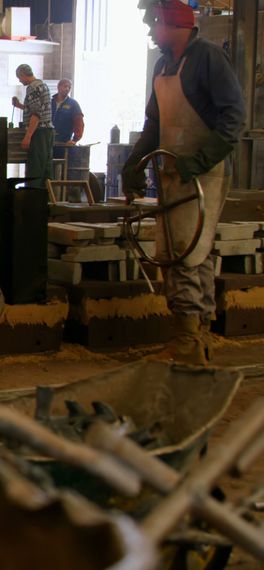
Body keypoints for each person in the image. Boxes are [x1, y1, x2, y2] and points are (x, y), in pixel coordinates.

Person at [123, 0, 245, 365]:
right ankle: (196, 336)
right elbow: (154, 124)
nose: (150, 33)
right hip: (172, 172)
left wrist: (199, 160)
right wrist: (132, 165)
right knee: (183, 252)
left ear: (172, 24)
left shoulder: (206, 59)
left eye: (153, 25)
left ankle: (189, 343)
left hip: (202, 173)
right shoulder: (164, 65)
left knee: (187, 251)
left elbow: (234, 118)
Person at [10, 64, 54, 189]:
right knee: (45, 170)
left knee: (35, 171)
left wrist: (28, 137)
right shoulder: (42, 85)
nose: (19, 80)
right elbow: (38, 108)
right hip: (47, 131)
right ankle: (46, 200)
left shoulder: (33, 88)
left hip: (39, 132)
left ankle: (32, 200)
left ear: (23, 74)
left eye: (19, 77)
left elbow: (36, 114)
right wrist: (19, 105)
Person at [51, 79, 85, 158]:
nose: (67, 89)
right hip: (48, 143)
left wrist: (74, 140)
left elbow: (79, 123)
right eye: (65, 86)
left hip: (64, 144)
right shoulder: (50, 102)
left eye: (69, 87)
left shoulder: (73, 104)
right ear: (58, 87)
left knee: (62, 167)